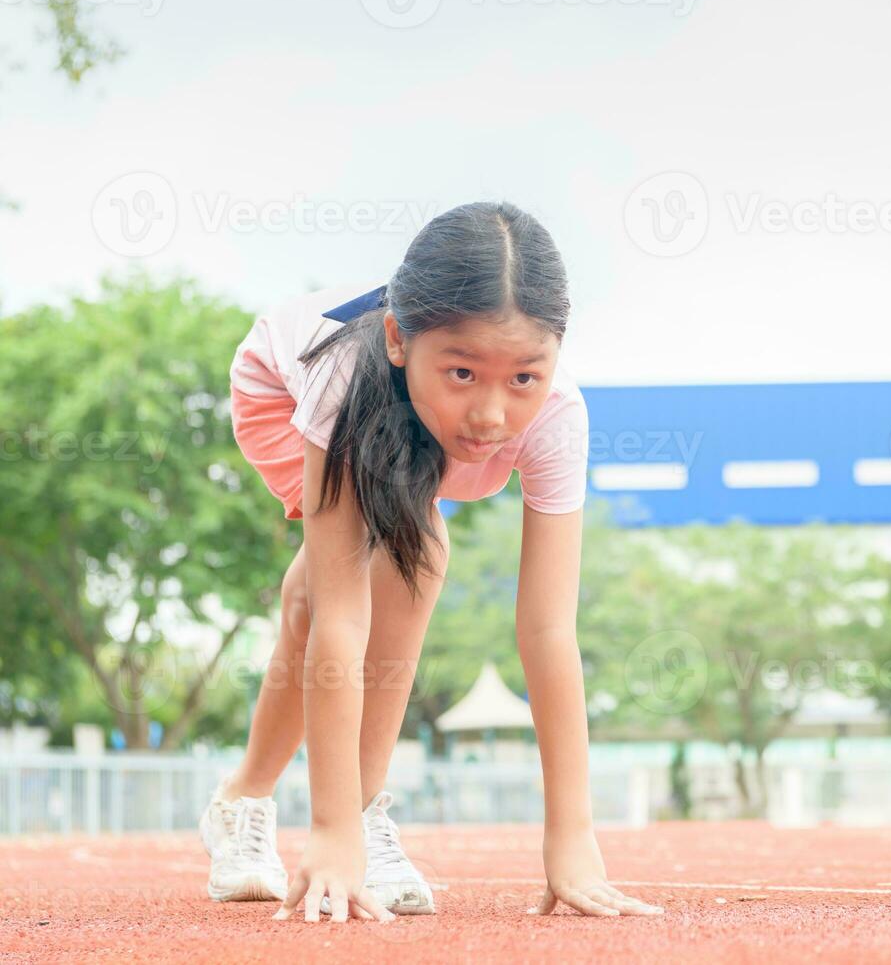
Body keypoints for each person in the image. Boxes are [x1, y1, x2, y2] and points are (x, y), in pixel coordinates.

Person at [201, 200, 662, 924]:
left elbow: (548, 631)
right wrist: (331, 833)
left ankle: (277, 801)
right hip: (288, 395)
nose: (490, 414)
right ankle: (289, 809)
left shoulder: (556, 417)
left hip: (412, 430)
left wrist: (572, 839)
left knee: (361, 569)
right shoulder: (343, 378)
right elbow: (347, 622)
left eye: (523, 378)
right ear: (397, 340)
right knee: (388, 560)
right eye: (462, 372)